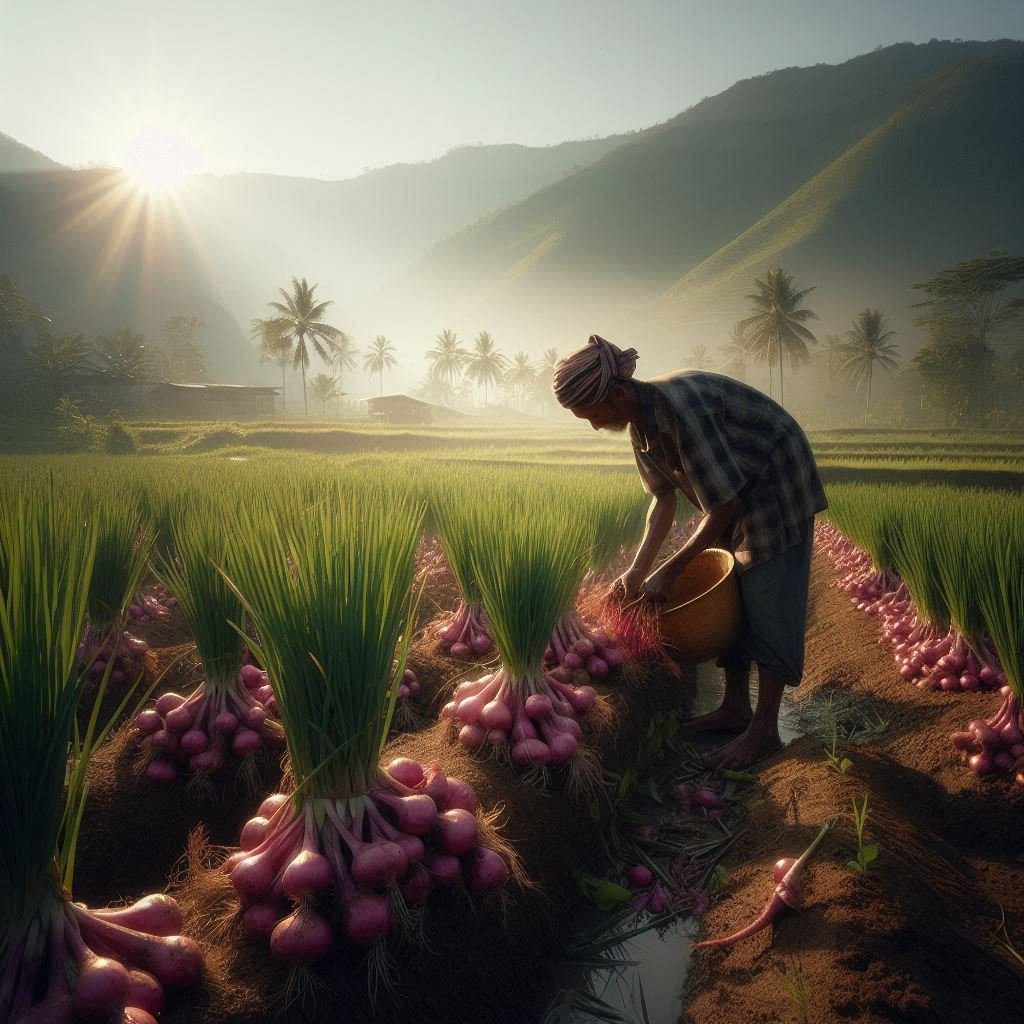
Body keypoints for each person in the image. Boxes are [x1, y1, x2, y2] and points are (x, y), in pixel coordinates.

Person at [552, 334, 827, 770]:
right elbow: (662, 501)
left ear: (618, 394)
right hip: (732, 491)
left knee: (766, 595)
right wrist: (636, 572)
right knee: (728, 597)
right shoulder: (641, 427)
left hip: (774, 480)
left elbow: (726, 505)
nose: (594, 426)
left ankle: (764, 731)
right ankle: (735, 707)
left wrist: (673, 569)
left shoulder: (682, 411)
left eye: (594, 415)